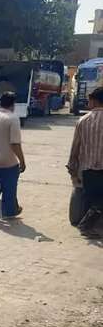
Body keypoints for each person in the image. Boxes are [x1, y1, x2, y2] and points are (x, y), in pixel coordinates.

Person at [67, 85, 103, 235]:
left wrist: (72, 169)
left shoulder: (83, 120)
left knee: (88, 197)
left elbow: (75, 148)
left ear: (94, 101)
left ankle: (86, 226)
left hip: (87, 170)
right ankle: (89, 226)